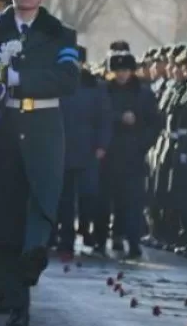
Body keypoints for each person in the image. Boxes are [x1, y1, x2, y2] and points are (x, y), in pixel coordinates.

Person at [0, 0, 79, 326]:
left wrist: (20, 77)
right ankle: (2, 292)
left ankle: (23, 290)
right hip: (1, 126)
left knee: (37, 209)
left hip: (43, 127)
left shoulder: (60, 34)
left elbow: (67, 79)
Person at [101, 44, 160, 259]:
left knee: (133, 200)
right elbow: (101, 116)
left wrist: (142, 144)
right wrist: (119, 118)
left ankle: (133, 240)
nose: (122, 75)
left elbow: (154, 122)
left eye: (125, 71)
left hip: (133, 154)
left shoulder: (143, 93)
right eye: (118, 71)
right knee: (110, 197)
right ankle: (113, 234)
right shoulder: (105, 91)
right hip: (109, 153)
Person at [55, 46, 112, 258]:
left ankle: (88, 231)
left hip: (88, 149)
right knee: (65, 198)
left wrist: (101, 145)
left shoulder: (95, 87)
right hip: (63, 147)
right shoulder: (58, 86)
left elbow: (104, 119)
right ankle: (66, 238)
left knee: (89, 195)